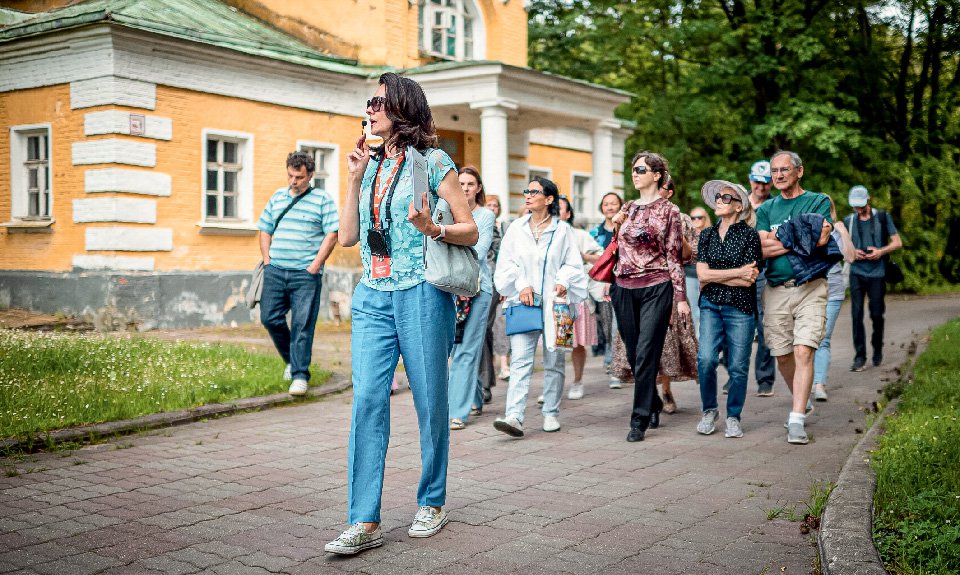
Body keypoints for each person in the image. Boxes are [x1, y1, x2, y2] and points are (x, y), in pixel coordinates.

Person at [325, 72, 479, 555]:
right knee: (368, 400)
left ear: (402, 109)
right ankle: (363, 520)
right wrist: (351, 179)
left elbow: (469, 230)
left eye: (378, 101)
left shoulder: (433, 163)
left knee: (430, 400)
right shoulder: (367, 165)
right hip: (372, 293)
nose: (369, 108)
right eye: (368, 101)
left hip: (420, 293)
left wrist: (433, 227)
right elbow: (348, 238)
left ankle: (432, 501)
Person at [493, 177, 587, 437]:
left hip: (558, 305)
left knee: (554, 360)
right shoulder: (515, 229)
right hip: (525, 304)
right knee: (521, 360)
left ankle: (551, 412)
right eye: (527, 191)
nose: (528, 195)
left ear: (549, 199)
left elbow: (573, 264)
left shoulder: (562, 230)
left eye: (534, 191)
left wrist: (563, 281)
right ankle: (514, 416)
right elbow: (506, 264)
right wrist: (521, 284)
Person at [611, 151, 691, 443]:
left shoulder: (669, 210)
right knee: (634, 353)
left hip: (656, 286)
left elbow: (673, 255)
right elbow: (619, 247)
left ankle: (639, 419)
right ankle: (654, 400)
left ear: (656, 175)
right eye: (633, 169)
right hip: (623, 286)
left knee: (646, 352)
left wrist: (680, 296)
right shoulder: (629, 207)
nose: (635, 173)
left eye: (641, 169)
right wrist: (616, 224)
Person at [755, 150, 832, 445]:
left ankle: (797, 418)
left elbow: (820, 239)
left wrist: (779, 239)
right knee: (782, 354)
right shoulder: (766, 209)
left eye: (784, 170)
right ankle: (803, 398)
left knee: (804, 351)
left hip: (811, 286)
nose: (778, 175)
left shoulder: (817, 200)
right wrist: (800, 235)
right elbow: (760, 248)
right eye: (774, 171)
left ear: (799, 171)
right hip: (775, 289)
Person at [257, 151, 339, 396]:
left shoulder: (322, 200)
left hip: (305, 274)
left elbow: (332, 234)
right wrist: (267, 260)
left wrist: (315, 265)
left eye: (299, 177)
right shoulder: (277, 197)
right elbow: (264, 229)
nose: (293, 181)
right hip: (275, 270)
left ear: (310, 175)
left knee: (303, 325)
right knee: (269, 318)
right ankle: (292, 361)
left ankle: (300, 376)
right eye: (290, 176)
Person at [694, 181, 761, 438]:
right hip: (711, 304)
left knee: (738, 366)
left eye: (725, 197)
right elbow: (701, 274)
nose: (719, 200)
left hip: (740, 307)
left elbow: (750, 279)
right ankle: (709, 410)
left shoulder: (749, 235)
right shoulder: (707, 234)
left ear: (738, 205)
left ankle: (733, 415)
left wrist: (715, 275)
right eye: (718, 197)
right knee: (706, 359)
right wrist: (735, 273)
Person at [448, 166, 496, 429]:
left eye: (470, 184)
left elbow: (478, 249)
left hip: (479, 289)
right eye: (461, 183)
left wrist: (449, 239)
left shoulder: (485, 216)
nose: (465, 187)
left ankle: (457, 411)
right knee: (458, 348)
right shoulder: (448, 213)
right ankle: (475, 396)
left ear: (478, 188)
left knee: (467, 349)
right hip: (453, 288)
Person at [844, 185, 902, 371]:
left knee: (877, 315)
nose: (858, 209)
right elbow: (841, 247)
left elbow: (897, 242)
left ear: (868, 200)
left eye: (861, 206)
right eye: (855, 206)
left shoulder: (882, 217)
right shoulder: (849, 221)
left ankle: (877, 348)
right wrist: (854, 252)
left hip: (877, 272)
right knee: (856, 315)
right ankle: (859, 356)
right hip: (857, 273)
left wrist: (880, 251)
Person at [655, 175, 699, 414]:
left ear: (669, 193)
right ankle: (649, 393)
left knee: (668, 341)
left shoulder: (681, 219)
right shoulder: (636, 212)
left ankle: (666, 390)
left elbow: (691, 255)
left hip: (671, 287)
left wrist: (677, 233)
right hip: (640, 286)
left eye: (660, 188)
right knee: (645, 340)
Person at [557, 196, 602, 400]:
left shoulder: (580, 235)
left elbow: (601, 258)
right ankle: (555, 383)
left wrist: (582, 256)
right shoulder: (543, 235)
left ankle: (577, 381)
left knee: (576, 342)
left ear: (567, 214)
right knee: (556, 343)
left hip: (576, 297)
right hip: (554, 298)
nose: (555, 212)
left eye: (559, 209)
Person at [812, 195, 856, 400]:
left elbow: (851, 257)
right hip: (809, 291)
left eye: (826, 207)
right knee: (806, 340)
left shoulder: (838, 231)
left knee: (823, 339)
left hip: (833, 292)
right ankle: (806, 381)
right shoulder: (810, 228)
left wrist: (844, 231)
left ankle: (819, 384)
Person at [747, 160, 777, 397]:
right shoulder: (738, 204)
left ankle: (765, 378)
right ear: (750, 180)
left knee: (765, 325)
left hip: (765, 271)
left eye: (766, 182)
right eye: (758, 181)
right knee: (737, 327)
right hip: (738, 272)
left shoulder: (775, 206)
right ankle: (735, 375)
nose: (761, 186)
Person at [590, 192, 624, 386]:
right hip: (602, 286)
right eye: (606, 204)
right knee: (607, 326)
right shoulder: (595, 233)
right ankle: (610, 360)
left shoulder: (626, 229)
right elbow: (590, 257)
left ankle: (617, 366)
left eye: (613, 204)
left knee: (619, 327)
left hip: (623, 282)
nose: (610, 207)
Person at [484, 196, 511, 382]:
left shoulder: (504, 228)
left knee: (501, 325)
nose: (493, 208)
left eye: (496, 205)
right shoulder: (479, 224)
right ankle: (489, 369)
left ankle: (504, 364)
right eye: (490, 205)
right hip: (484, 281)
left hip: (500, 283)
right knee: (486, 327)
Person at [686, 206, 711, 330]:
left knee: (705, 310)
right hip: (689, 276)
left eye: (699, 217)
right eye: (692, 218)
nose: (696, 220)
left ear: (705, 219)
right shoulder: (686, 235)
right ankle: (695, 344)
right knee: (692, 311)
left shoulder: (713, 234)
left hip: (708, 277)